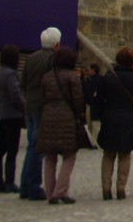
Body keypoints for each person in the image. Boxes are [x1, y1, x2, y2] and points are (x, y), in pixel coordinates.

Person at [97, 46, 133, 201]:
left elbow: (99, 100)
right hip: (129, 120)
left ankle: (106, 189)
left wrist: (104, 114)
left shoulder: (108, 77)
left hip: (110, 118)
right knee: (125, 154)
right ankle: (121, 189)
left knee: (108, 154)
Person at [37, 45, 84, 204]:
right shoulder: (72, 77)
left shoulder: (47, 77)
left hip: (48, 117)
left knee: (50, 157)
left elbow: (41, 98)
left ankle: (50, 193)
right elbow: (77, 100)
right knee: (69, 155)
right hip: (66, 117)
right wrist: (79, 115)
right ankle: (60, 191)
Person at [19, 26, 61, 200]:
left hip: (30, 106)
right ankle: (33, 187)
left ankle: (24, 186)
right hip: (43, 108)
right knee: (37, 149)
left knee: (31, 146)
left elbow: (23, 83)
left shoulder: (32, 58)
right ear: (57, 44)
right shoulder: (52, 60)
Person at [0, 44, 24, 193]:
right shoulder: (11, 74)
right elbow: (15, 95)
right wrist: (25, 107)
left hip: (0, 115)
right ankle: (9, 182)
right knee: (12, 151)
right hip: (12, 116)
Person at [82, 63, 101, 147]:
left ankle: (95, 141)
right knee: (89, 123)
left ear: (93, 70)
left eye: (89, 69)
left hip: (96, 105)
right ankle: (91, 140)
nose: (88, 71)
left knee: (95, 124)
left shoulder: (99, 79)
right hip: (89, 104)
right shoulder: (88, 80)